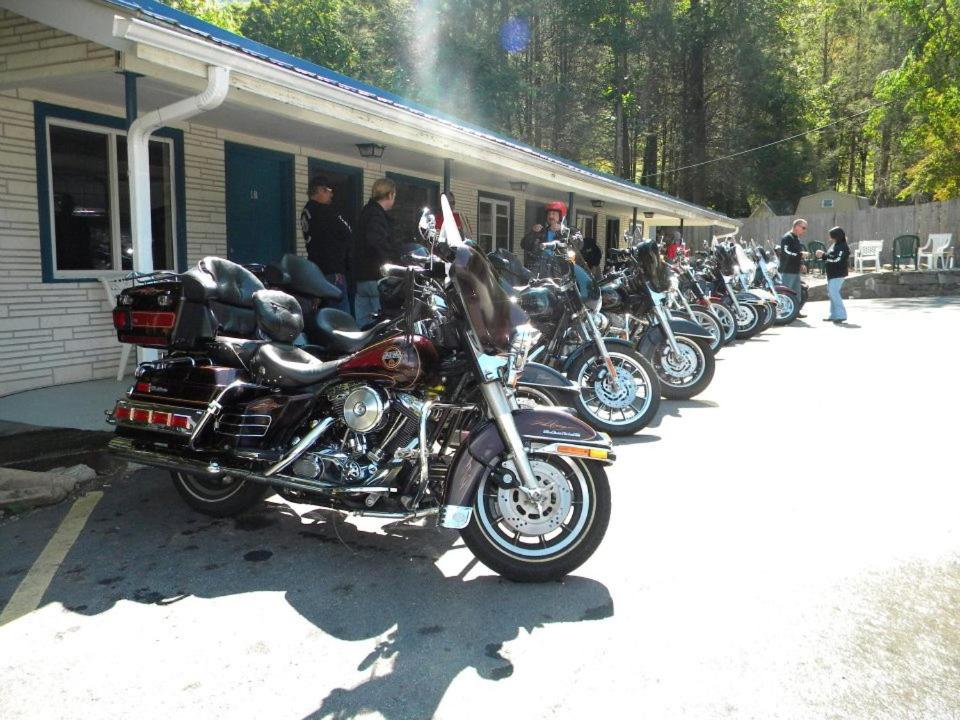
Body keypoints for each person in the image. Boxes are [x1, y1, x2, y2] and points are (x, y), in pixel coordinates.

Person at [300, 175, 352, 313]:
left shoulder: (306, 211)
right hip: (332, 269)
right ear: (320, 190)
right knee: (340, 314)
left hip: (315, 269)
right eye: (329, 190)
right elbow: (347, 232)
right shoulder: (325, 211)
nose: (331, 194)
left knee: (321, 313)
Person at [353, 178, 398, 327]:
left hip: (360, 277)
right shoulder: (377, 215)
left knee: (362, 328)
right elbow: (377, 242)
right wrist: (393, 264)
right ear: (390, 194)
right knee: (379, 328)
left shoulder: (365, 211)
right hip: (376, 276)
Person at [521, 200, 571, 273]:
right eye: (549, 214)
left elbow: (578, 242)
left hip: (560, 272)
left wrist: (563, 231)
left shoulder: (569, 231)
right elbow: (524, 245)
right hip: (539, 272)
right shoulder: (541, 231)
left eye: (553, 214)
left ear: (561, 216)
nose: (551, 216)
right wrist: (533, 233)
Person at [817, 226, 850, 323]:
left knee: (834, 293)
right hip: (832, 274)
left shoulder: (842, 246)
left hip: (838, 273)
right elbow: (831, 256)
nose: (830, 238)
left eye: (831, 236)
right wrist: (824, 256)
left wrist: (823, 255)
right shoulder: (836, 245)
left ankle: (841, 315)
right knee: (832, 294)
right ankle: (834, 315)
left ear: (836, 236)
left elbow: (836, 259)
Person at [779, 218, 808, 318]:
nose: (804, 230)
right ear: (796, 227)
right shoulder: (787, 238)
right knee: (786, 293)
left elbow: (797, 252)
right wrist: (800, 255)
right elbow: (786, 252)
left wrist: (801, 263)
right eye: (803, 228)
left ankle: (795, 312)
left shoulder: (796, 238)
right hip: (787, 269)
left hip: (795, 270)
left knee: (796, 292)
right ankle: (784, 313)